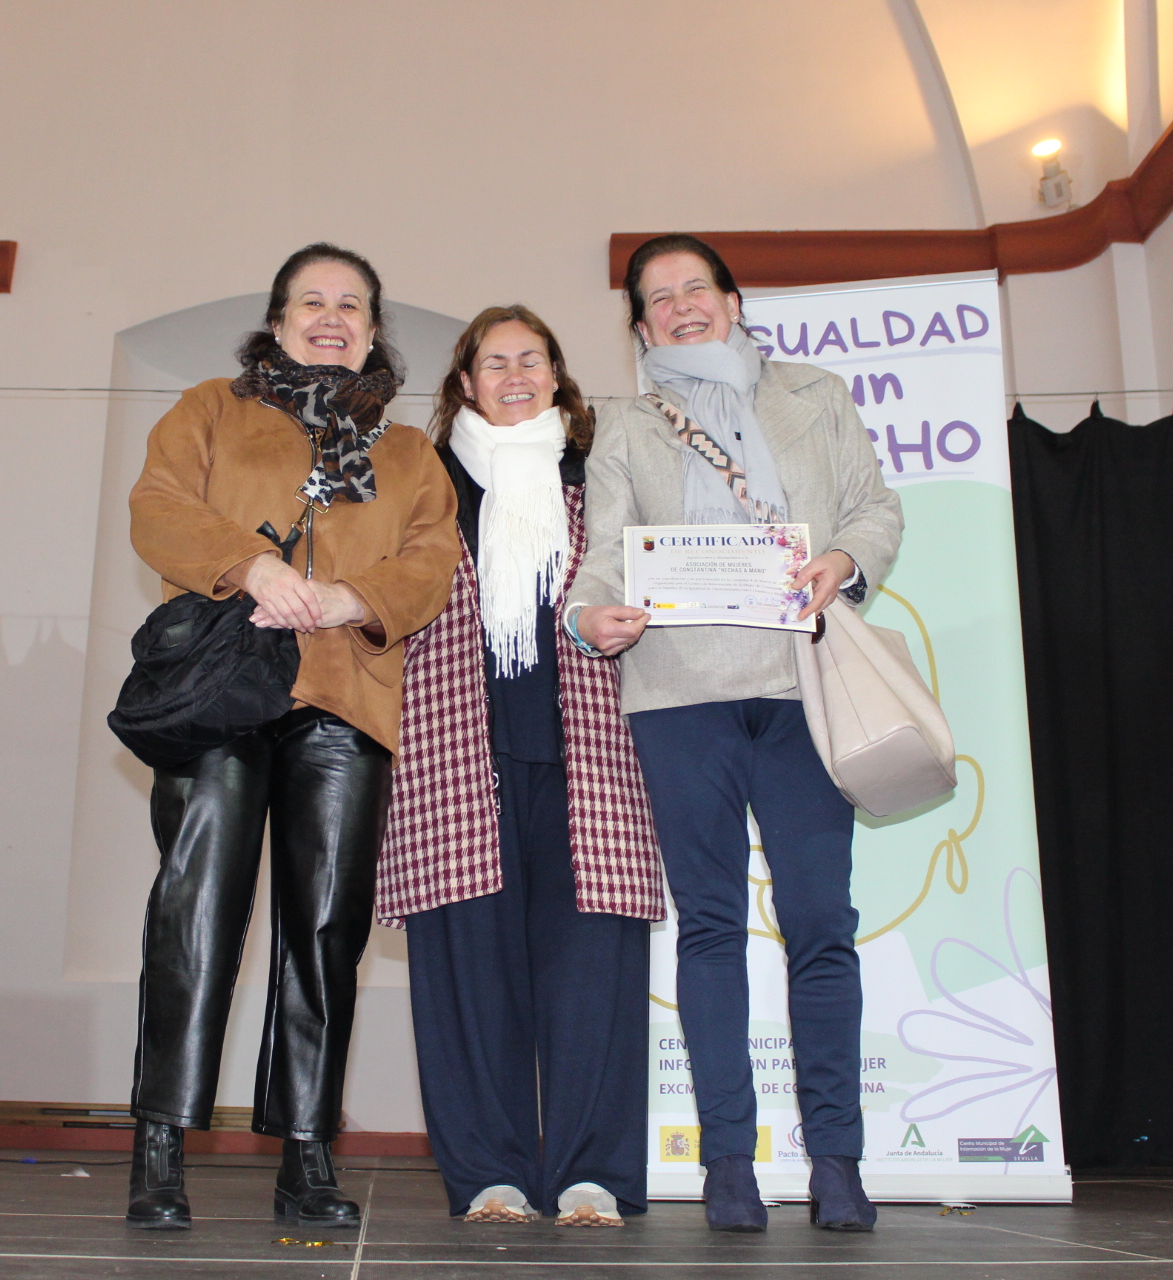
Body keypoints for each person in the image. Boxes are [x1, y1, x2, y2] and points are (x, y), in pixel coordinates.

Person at [565, 235, 904, 1233]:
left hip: (803, 688)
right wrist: (587, 616)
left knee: (821, 922)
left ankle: (838, 1161)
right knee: (709, 929)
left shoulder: (816, 395)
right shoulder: (625, 424)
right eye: (658, 298)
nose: (680, 307)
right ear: (639, 326)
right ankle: (728, 1164)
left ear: (733, 299)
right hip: (679, 696)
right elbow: (603, 555)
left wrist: (843, 559)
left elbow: (874, 508)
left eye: (695, 288)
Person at [124, 243, 460, 1231]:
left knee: (325, 930)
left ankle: (308, 1152)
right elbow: (156, 508)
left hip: (346, 696)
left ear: (373, 330)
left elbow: (434, 559)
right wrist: (251, 567)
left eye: (350, 304)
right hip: (222, 690)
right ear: (276, 323)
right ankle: (158, 1145)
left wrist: (358, 596)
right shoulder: (209, 409)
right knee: (196, 914)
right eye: (311, 301)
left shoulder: (409, 453)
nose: (330, 316)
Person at [377, 306, 663, 1228]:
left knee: (594, 975)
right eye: (493, 362)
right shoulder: (420, 481)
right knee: (467, 978)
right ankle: (488, 1175)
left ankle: (592, 1175)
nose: (513, 375)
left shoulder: (603, 474)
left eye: (530, 359)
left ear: (555, 375)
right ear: (465, 382)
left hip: (593, 753)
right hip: (453, 752)